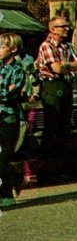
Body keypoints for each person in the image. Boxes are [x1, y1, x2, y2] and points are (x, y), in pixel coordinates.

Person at [36, 17, 77, 167]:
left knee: (64, 125)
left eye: (67, 26)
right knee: (52, 124)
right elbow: (56, 68)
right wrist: (68, 66)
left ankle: (62, 164)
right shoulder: (47, 46)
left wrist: (66, 64)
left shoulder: (67, 46)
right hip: (52, 86)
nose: (67, 29)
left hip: (65, 84)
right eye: (63, 27)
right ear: (53, 29)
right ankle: (47, 162)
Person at [0, 34, 26, 207]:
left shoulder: (18, 69)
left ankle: (10, 189)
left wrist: (6, 90)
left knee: (2, 158)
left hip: (9, 116)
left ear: (13, 49)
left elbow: (9, 93)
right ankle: (12, 183)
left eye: (1, 46)